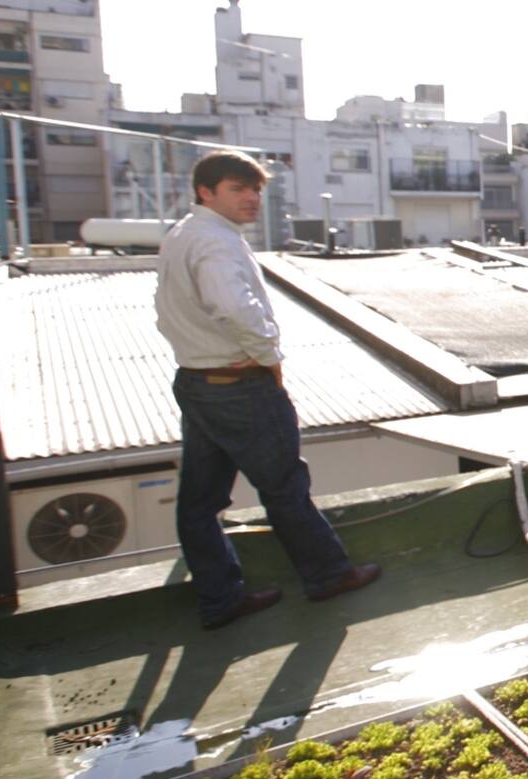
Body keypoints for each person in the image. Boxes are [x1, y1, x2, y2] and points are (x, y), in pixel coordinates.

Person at [155, 150, 380, 630]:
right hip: (238, 384)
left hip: (196, 379)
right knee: (285, 489)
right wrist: (269, 357)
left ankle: (219, 599)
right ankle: (327, 575)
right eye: (238, 189)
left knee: (199, 502)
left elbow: (165, 312)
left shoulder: (181, 235)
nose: (253, 198)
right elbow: (236, 308)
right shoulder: (215, 243)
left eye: (256, 188)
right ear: (206, 192)